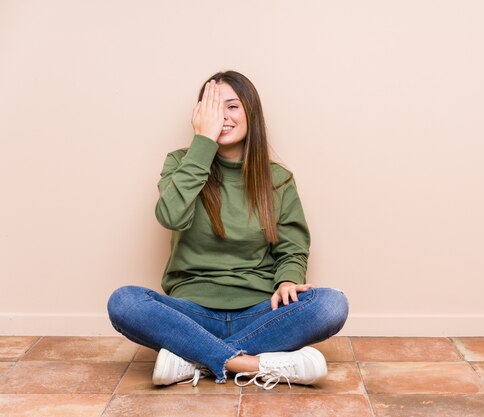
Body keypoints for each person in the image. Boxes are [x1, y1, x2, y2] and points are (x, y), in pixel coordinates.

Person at [107, 70, 349, 389]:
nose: (222, 116)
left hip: (261, 312)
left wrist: (289, 279)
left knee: (332, 304)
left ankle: (195, 357)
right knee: (124, 302)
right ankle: (250, 363)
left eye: (232, 107)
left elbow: (292, 248)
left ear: (251, 114)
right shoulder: (181, 163)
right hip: (191, 312)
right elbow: (171, 215)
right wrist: (203, 144)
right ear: (199, 116)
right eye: (212, 107)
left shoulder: (278, 179)